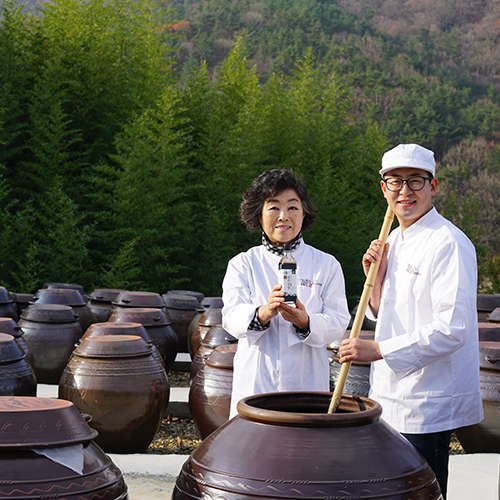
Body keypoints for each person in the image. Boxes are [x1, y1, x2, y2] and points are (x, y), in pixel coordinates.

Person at [338, 144, 483, 499]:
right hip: (388, 396)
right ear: (383, 188)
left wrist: (378, 350)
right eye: (395, 181)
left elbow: (453, 329)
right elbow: (387, 313)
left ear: (433, 186)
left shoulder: (448, 242)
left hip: (426, 403)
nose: (405, 191)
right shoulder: (392, 239)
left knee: (419, 494)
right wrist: (375, 283)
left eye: (415, 180)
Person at [222, 168, 350, 418]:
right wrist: (263, 312)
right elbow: (231, 316)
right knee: (257, 438)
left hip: (307, 382)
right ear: (259, 215)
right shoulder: (244, 264)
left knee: (303, 438)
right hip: (257, 382)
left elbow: (338, 321)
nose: (284, 216)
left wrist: (306, 322)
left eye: (292, 207)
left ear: (304, 213)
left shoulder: (326, 264)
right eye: (273, 207)